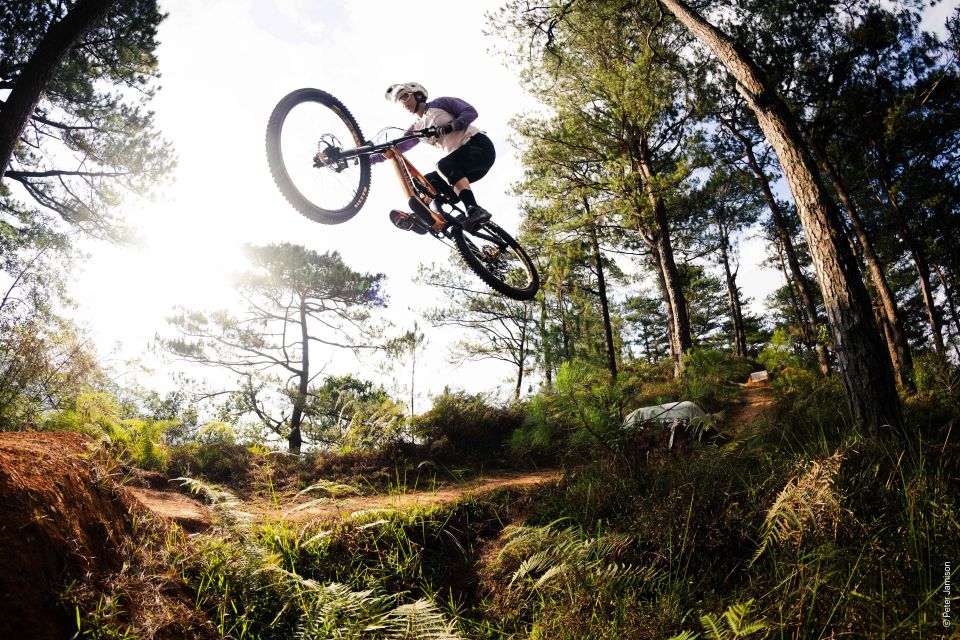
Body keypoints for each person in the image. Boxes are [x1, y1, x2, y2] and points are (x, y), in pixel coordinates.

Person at [371, 82, 495, 232]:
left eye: (405, 96)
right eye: (399, 101)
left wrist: (452, 126)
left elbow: (470, 111)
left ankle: (474, 209)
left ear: (418, 95)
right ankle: (435, 220)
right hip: (462, 168)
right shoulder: (416, 129)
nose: (403, 103)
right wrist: (370, 159)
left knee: (443, 166)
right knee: (424, 183)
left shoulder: (440, 104)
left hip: (479, 147)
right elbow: (397, 148)